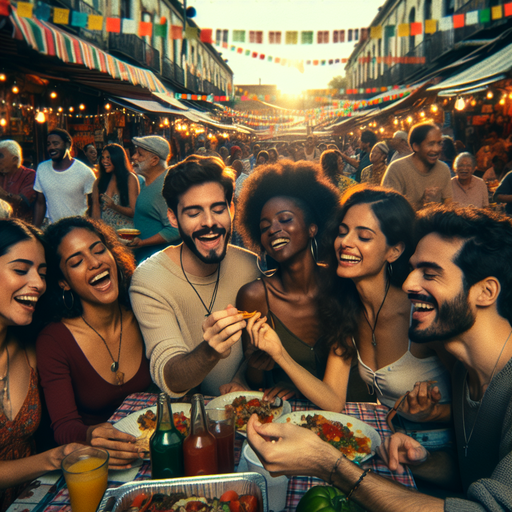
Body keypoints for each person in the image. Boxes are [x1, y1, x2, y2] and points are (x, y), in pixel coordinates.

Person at [248, 205, 512, 511]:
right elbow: (477, 478)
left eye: (429, 274)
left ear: (486, 291)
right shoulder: (465, 373)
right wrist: (425, 461)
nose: (410, 284)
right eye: (414, 270)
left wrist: (329, 463)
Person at [247, 186, 453, 449]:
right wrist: (279, 354)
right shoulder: (348, 309)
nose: (345, 242)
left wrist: (433, 413)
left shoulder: (421, 310)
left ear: (394, 251)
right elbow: (333, 399)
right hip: (394, 441)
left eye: (364, 236)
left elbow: (480, 407)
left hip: (447, 446)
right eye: (343, 232)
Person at [129, 155, 259, 398]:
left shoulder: (252, 266)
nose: (209, 223)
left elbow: (259, 349)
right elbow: (169, 376)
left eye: (218, 209)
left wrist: (241, 376)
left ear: (231, 210)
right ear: (172, 218)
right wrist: (209, 351)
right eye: (193, 213)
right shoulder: (149, 279)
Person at [36, 217, 152, 465]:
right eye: (77, 262)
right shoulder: (54, 340)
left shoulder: (143, 312)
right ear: (63, 282)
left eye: (99, 250)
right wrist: (91, 436)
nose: (95, 262)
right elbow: (64, 427)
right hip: (97, 463)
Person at [236, 161, 339, 399]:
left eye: (284, 219)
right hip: (290, 417)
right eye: (264, 227)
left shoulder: (340, 283)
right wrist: (255, 363)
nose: (273, 230)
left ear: (312, 228)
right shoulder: (254, 296)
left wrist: (305, 386)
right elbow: (255, 381)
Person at [0, 219, 81, 511]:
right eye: (21, 270)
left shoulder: (30, 349)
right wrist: (53, 458)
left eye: (42, 273)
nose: (38, 283)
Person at [127, 136, 180, 262]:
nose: (134, 157)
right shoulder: (147, 182)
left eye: (140, 155)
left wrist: (143, 242)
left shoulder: (164, 187)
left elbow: (175, 229)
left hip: (158, 261)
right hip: (148, 258)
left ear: (154, 160)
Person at [381, 122, 453, 210]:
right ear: (416, 146)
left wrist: (438, 206)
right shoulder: (396, 169)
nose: (436, 149)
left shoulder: (443, 169)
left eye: (439, 143)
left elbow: (449, 207)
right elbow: (389, 211)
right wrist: (421, 203)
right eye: (430, 144)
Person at [33, 129, 96, 227]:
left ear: (68, 145)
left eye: (56, 143)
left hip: (77, 229)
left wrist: (92, 230)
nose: (51, 147)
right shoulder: (42, 169)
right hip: (52, 229)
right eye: (48, 144)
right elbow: (40, 203)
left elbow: (94, 205)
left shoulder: (85, 172)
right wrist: (34, 230)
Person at [91, 144, 140, 230]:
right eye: (103, 157)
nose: (104, 161)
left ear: (117, 159)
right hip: (107, 233)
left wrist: (114, 206)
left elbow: (133, 212)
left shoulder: (130, 178)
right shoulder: (98, 182)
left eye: (108, 157)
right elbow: (96, 212)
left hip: (126, 233)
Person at [0, 141, 36, 222]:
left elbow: (24, 203)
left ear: (15, 160)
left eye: (1, 156)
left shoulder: (29, 175)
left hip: (20, 226)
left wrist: (4, 195)